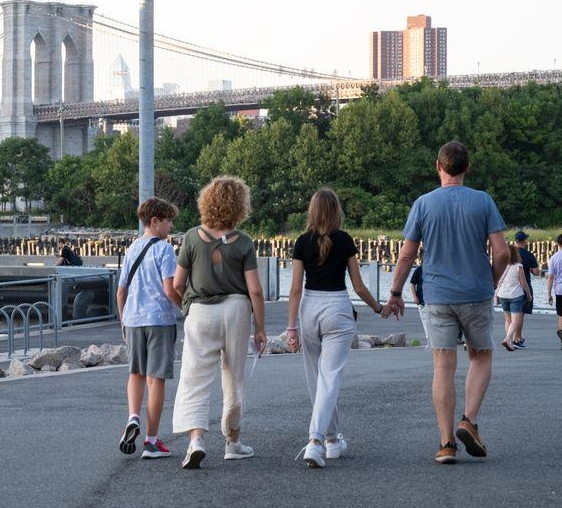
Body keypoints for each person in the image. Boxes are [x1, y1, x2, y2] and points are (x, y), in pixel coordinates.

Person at [382, 141, 509, 465]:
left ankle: (446, 443)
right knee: (480, 358)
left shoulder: (423, 204)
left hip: (437, 297)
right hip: (476, 295)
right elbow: (503, 252)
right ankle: (468, 420)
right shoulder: (483, 202)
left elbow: (408, 254)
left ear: (438, 167)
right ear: (467, 168)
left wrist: (396, 292)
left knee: (443, 367)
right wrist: (491, 280)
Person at [172, 176, 268, 470]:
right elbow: (254, 290)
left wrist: (187, 306)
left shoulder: (191, 237)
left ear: (206, 202)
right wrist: (260, 328)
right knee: (233, 377)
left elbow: (177, 284)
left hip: (200, 311)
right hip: (236, 310)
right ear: (240, 206)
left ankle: (196, 441)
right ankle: (232, 443)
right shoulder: (244, 243)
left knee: (194, 377)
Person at [286, 189, 382, 468]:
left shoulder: (302, 242)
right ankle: (315, 441)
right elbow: (359, 286)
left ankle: (331, 440)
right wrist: (378, 308)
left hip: (309, 307)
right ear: (336, 211)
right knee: (329, 378)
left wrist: (291, 327)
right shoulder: (344, 240)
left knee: (317, 378)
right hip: (337, 308)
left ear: (312, 211)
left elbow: (294, 289)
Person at [116, 198, 183, 460]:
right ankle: (152, 441)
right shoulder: (164, 250)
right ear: (155, 221)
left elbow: (121, 291)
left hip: (133, 320)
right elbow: (170, 289)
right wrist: (184, 308)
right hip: (159, 321)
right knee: (156, 380)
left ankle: (133, 417)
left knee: (136, 374)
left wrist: (123, 322)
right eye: (168, 221)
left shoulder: (132, 249)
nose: (171, 225)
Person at [495, 245, 533, 351]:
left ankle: (510, 342)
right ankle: (507, 339)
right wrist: (529, 295)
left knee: (507, 319)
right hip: (515, 295)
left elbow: (496, 281)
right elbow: (524, 283)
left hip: (503, 295)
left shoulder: (501, 265)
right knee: (515, 321)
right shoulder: (518, 266)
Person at [512, 231, 540, 347]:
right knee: (520, 314)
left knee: (509, 316)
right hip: (523, 287)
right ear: (524, 241)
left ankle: (511, 337)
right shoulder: (528, 255)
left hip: (508, 287)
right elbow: (536, 272)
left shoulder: (508, 253)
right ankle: (516, 338)